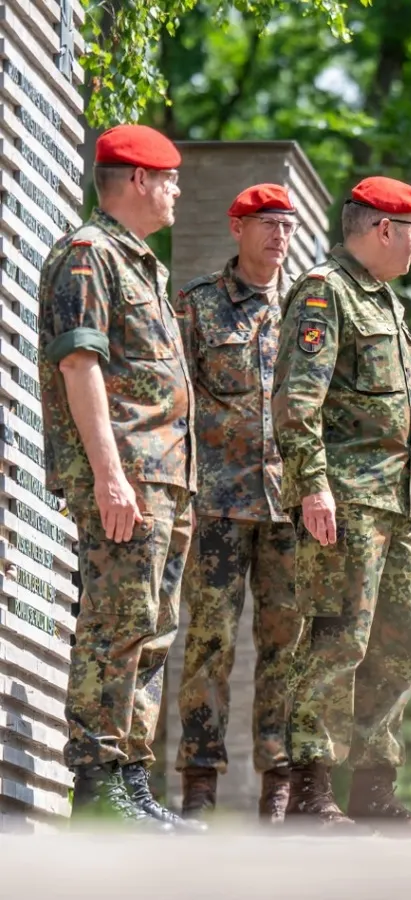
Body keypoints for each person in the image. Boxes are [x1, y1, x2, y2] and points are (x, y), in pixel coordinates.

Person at [273, 175, 411, 835]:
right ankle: (313, 791)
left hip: (399, 505)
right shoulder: (326, 291)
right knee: (336, 639)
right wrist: (312, 485)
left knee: (398, 647)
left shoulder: (387, 301)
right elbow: (296, 401)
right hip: (347, 500)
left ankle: (376, 789)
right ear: (382, 229)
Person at [38, 124, 200, 831]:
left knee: (153, 631)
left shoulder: (143, 265)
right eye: (168, 178)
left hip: (166, 477)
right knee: (116, 625)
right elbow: (81, 367)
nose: (176, 191)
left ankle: (131, 781)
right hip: (127, 473)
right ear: (136, 179)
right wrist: (109, 477)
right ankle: (98, 786)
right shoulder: (87, 256)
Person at [173, 184, 304, 824]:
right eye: (267, 224)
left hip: (290, 507)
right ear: (237, 228)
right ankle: (199, 787)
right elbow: (175, 405)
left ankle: (277, 789)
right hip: (216, 505)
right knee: (208, 644)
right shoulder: (197, 307)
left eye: (287, 225)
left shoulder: (310, 310)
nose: (279, 236)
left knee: (285, 647)